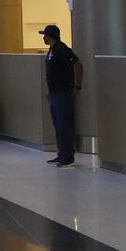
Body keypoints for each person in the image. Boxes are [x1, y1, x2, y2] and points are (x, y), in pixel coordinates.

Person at [41, 25, 83, 168]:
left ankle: (67, 156)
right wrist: (49, 89)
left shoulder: (61, 49)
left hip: (63, 93)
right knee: (58, 124)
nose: (43, 38)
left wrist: (77, 86)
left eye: (45, 35)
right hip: (54, 93)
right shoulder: (52, 50)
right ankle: (61, 153)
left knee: (64, 125)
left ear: (50, 36)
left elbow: (77, 64)